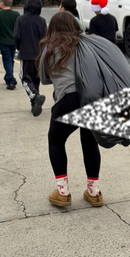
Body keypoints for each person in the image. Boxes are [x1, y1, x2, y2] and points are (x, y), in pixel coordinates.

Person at [39, 11, 102, 209]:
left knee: (56, 141)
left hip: (68, 99)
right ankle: (94, 192)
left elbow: (44, 78)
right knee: (90, 142)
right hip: (92, 100)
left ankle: (63, 192)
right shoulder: (88, 45)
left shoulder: (50, 48)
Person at [14, 0, 47, 115]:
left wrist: (19, 47)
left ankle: (34, 96)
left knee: (25, 79)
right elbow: (45, 38)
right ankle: (34, 104)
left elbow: (17, 36)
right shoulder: (42, 21)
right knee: (35, 79)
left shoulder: (21, 19)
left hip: (26, 53)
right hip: (39, 55)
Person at [0, 0, 18, 89]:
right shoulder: (16, 14)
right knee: (11, 59)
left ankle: (11, 79)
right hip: (14, 41)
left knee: (6, 60)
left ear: (2, 3)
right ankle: (8, 76)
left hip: (3, 41)